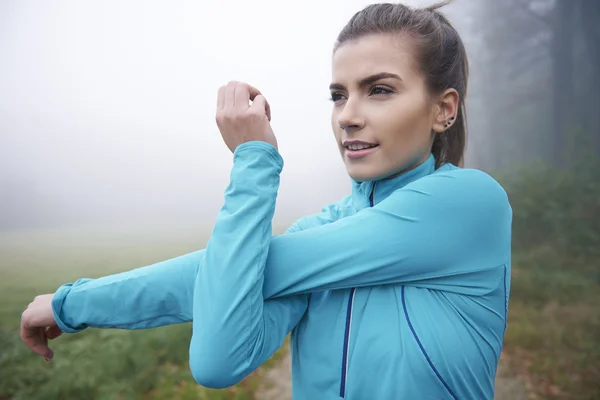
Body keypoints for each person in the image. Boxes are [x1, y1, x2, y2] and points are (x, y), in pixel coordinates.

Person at [20, 2, 512, 399]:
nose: (348, 116)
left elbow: (240, 269)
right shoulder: (318, 233)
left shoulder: (470, 204)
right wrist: (253, 169)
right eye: (339, 95)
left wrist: (72, 304)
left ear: (443, 109)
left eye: (379, 90)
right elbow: (217, 361)